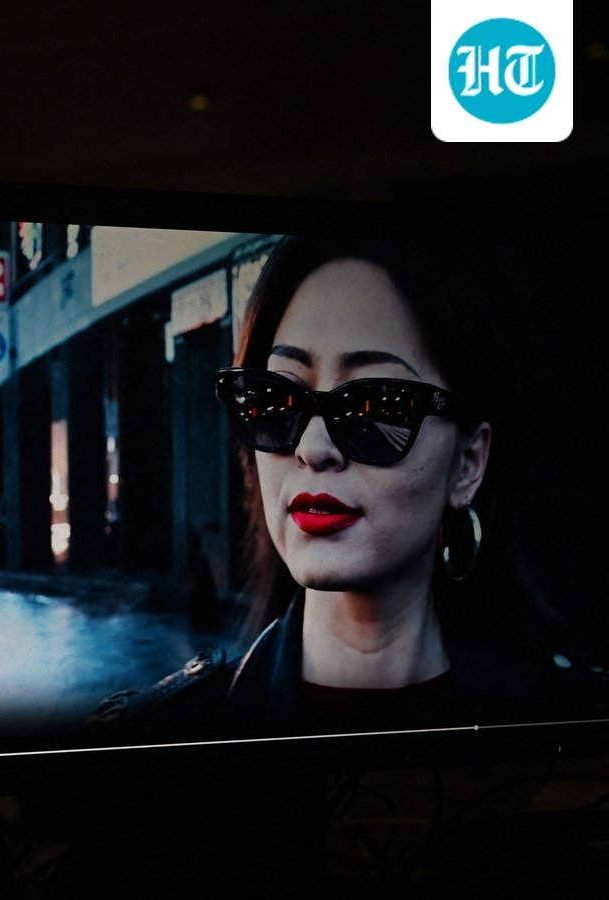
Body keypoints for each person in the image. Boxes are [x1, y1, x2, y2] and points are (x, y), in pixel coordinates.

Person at [90, 235, 595, 738]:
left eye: (377, 406)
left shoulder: (572, 724)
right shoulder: (156, 739)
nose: (313, 448)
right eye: (278, 399)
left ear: (467, 463)